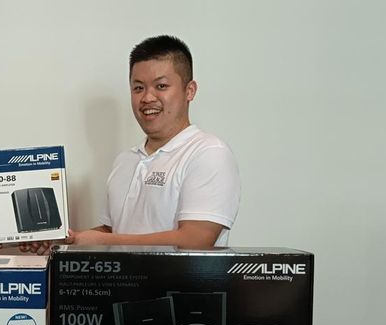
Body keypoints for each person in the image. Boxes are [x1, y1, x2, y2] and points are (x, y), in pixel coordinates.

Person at [25, 35, 240, 254]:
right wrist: (64, 241)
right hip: (123, 278)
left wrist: (104, 240)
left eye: (161, 86)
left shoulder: (208, 153)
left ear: (190, 90)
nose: (147, 98)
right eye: (138, 88)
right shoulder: (125, 160)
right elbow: (113, 231)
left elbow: (195, 239)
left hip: (179, 279)